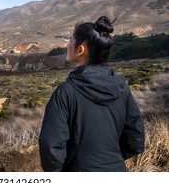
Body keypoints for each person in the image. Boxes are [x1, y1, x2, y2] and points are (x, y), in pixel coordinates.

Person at [39, 16, 145, 172]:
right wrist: (110, 160)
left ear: (80, 49)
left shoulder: (65, 91)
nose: (68, 45)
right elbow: (136, 139)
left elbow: (51, 146)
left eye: (70, 40)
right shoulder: (122, 88)